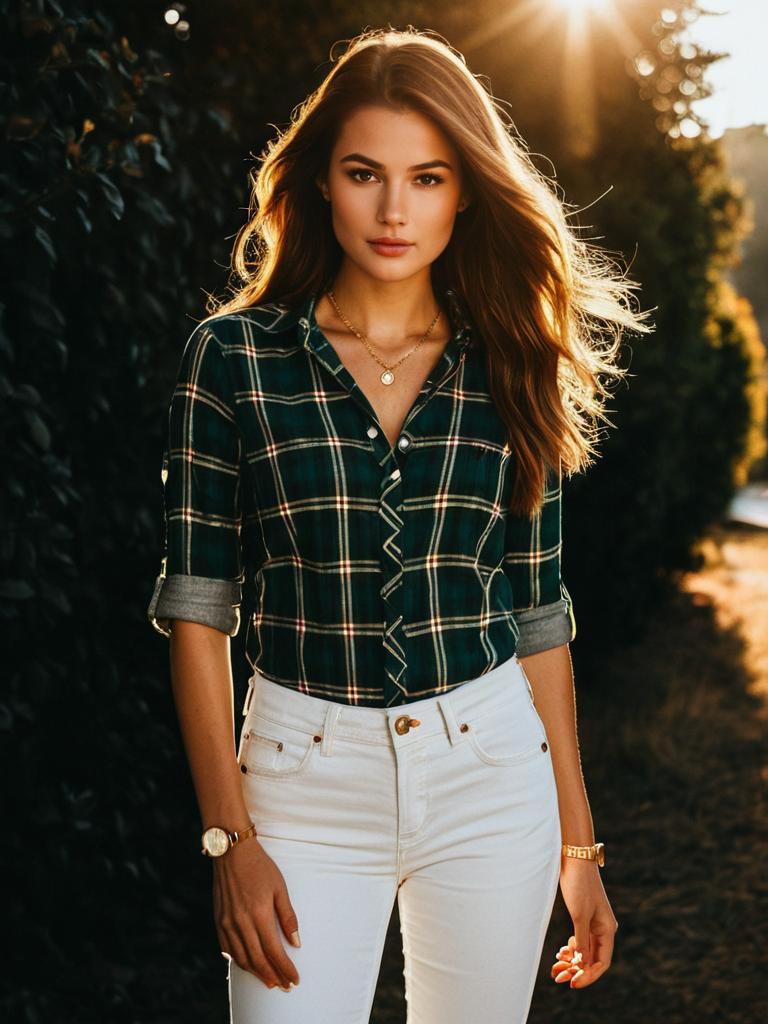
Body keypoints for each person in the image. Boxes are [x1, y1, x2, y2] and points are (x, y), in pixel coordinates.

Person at [146, 26, 649, 1024]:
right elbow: (200, 610)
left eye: (426, 178)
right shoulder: (234, 359)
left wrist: (577, 848)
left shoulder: (513, 361)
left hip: (490, 771)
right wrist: (230, 839)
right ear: (320, 183)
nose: (391, 209)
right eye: (365, 173)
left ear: (463, 192)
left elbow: (538, 612)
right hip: (299, 780)